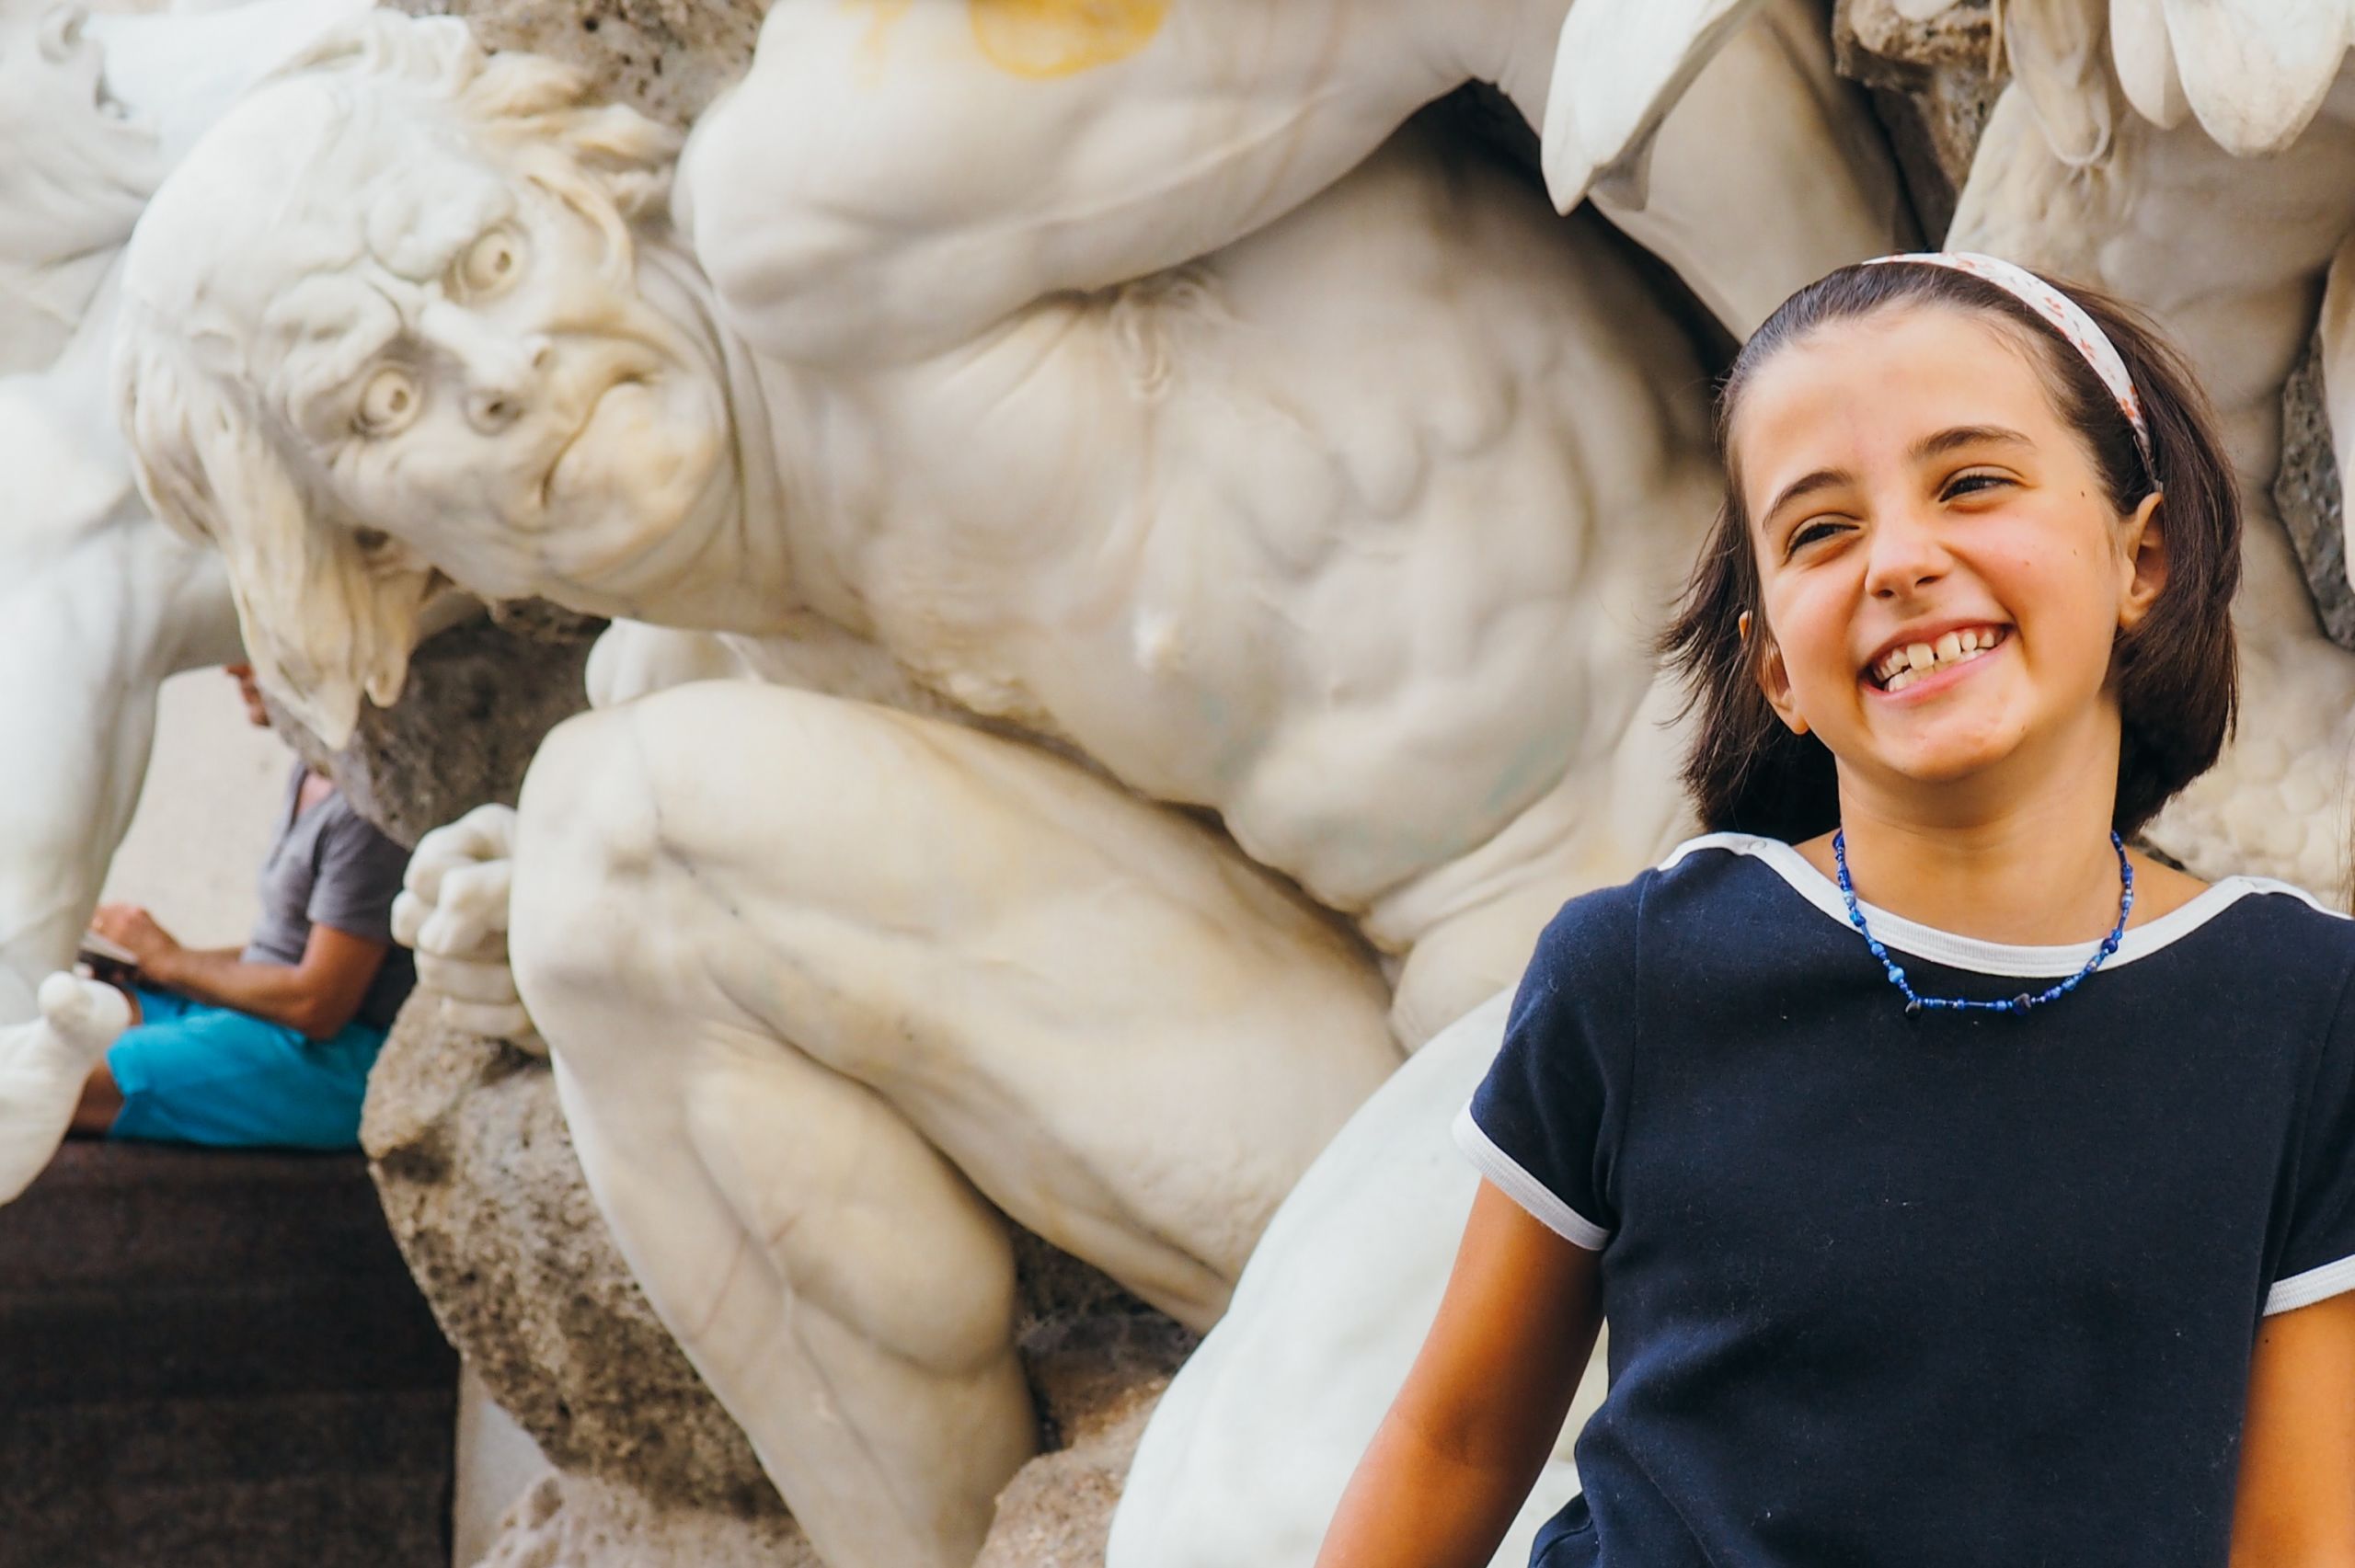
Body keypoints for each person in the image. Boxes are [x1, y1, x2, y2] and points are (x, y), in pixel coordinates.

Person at [1315, 254, 2355, 1566]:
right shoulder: (1636, 970)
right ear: (1774, 669)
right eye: (1819, 530)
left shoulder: (2303, 1010)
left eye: (1971, 483)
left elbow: (2298, 1538)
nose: (1901, 561)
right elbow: (1455, 1440)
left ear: (2139, 555)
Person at [67, 663, 414, 1150]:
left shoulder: (365, 811)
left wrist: (170, 959)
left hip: (333, 1059)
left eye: (251, 650)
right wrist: (153, 965)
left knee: (50, 1083)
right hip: (263, 1023)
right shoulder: (311, 773)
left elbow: (319, 1005)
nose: (233, 669)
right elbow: (285, 957)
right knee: (58, 1017)